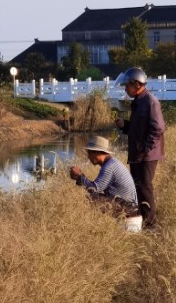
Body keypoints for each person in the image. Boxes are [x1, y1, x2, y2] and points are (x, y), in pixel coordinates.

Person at [114, 67, 165, 228]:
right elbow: (138, 128)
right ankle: (142, 220)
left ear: (136, 84)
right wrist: (125, 126)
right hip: (138, 154)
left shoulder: (150, 102)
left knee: (144, 187)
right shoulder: (138, 102)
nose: (125, 89)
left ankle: (150, 224)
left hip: (146, 155)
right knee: (137, 187)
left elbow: (158, 128)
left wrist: (145, 148)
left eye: (127, 86)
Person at [69, 135, 139, 216]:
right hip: (129, 206)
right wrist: (80, 177)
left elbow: (93, 189)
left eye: (89, 153)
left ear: (97, 152)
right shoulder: (112, 163)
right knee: (91, 197)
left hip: (128, 209)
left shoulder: (109, 167)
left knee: (88, 199)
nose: (88, 157)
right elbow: (95, 188)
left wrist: (79, 176)